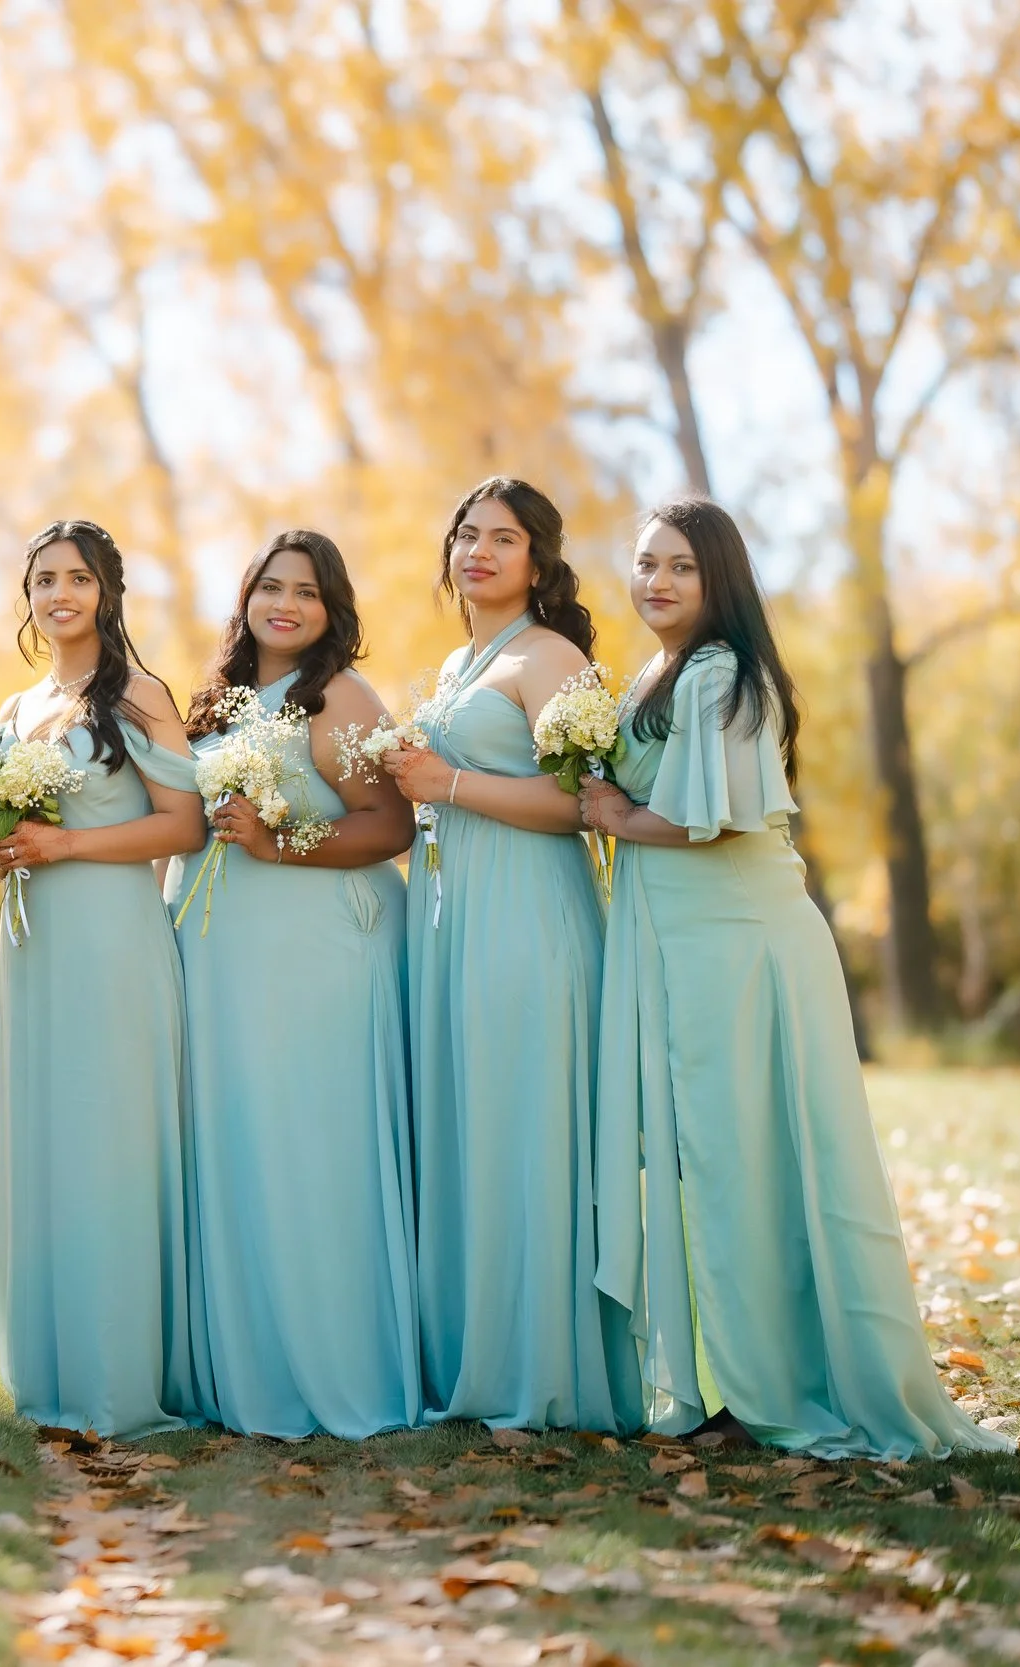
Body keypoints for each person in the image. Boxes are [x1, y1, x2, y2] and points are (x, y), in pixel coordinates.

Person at [583, 499, 1008, 1458]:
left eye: (682, 566)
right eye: (646, 563)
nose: (657, 581)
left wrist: (610, 812)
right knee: (713, 1162)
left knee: (751, 1163)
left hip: (738, 947)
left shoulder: (727, 674)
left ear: (720, 579)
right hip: (684, 943)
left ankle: (771, 1385)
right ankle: (735, 1371)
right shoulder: (661, 672)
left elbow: (714, 817)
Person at [382, 477, 639, 1432]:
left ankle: (542, 1369)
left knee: (525, 1126)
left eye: (503, 538)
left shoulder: (550, 655)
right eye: (466, 536)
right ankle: (468, 1359)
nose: (479, 552)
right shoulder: (458, 661)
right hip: (449, 921)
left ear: (539, 559)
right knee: (469, 1125)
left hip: (527, 916)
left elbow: (584, 802)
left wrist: (445, 779)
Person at [166, 529, 422, 1438]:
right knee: (237, 1140)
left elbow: (389, 824)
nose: (285, 605)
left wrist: (278, 843)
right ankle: (244, 1364)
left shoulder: (340, 695)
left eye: (306, 592)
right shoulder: (215, 701)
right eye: (270, 586)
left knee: (312, 1144)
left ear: (331, 609)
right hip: (225, 948)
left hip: (316, 951)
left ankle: (334, 1359)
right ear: (244, 598)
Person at [0, 519, 206, 1437]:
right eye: (44, 580)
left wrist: (68, 841)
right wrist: (3, 849)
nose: (59, 594)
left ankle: (117, 1380)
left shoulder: (141, 693)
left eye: (77, 578)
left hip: (113, 938)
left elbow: (184, 826)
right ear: (27, 596)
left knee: (109, 1143)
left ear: (107, 590)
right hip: (34, 947)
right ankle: (53, 1376)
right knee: (48, 1145)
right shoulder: (15, 707)